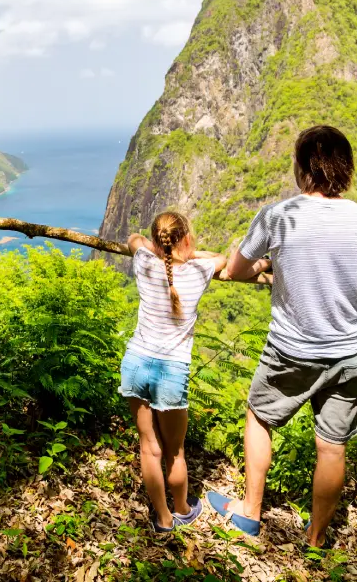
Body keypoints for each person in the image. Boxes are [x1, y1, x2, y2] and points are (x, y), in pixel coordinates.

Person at [207, 125, 357, 546]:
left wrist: (266, 269)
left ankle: (250, 512)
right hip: (348, 354)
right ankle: (314, 539)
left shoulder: (277, 216)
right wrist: (350, 285)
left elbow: (237, 269)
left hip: (291, 351)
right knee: (331, 446)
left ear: (302, 168)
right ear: (345, 168)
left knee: (259, 417)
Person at [120, 211, 227, 532]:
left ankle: (163, 518)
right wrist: (190, 253)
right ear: (186, 239)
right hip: (171, 371)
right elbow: (224, 258)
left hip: (135, 362)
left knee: (148, 446)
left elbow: (132, 240)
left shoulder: (144, 262)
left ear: (156, 241)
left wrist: (159, 249)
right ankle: (182, 508)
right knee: (175, 452)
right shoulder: (199, 270)